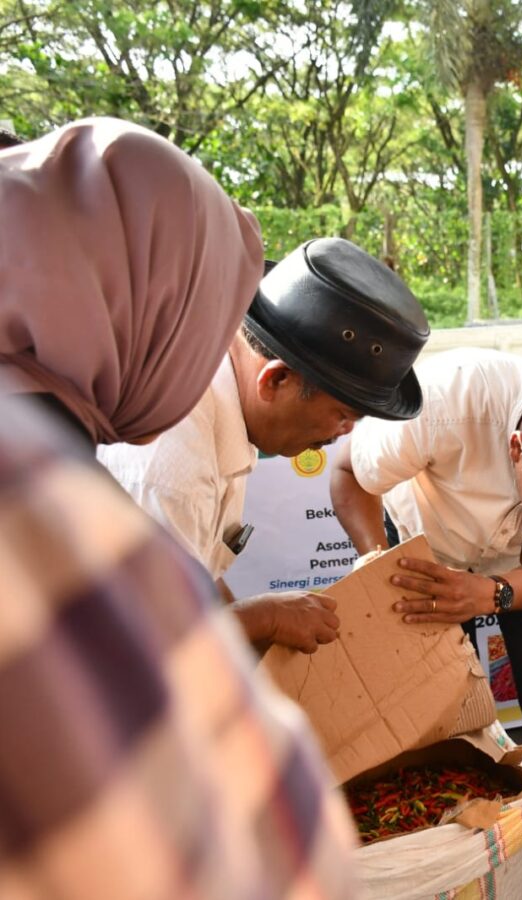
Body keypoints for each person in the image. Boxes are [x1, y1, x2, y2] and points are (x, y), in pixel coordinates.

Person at [0, 117, 356, 896]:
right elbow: (279, 858)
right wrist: (254, 625)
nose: (205, 361)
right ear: (135, 310)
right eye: (199, 326)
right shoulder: (56, 483)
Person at [329, 347, 522, 900]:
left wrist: (493, 593)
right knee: (435, 711)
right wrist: (379, 565)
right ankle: (447, 862)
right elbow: (348, 470)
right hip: (429, 559)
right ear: (516, 449)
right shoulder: (439, 404)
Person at [100, 237, 430, 653]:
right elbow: (148, 641)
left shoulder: (221, 400)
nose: (344, 433)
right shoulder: (173, 465)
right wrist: (265, 617)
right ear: (274, 380)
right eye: (343, 414)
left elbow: (191, 572)